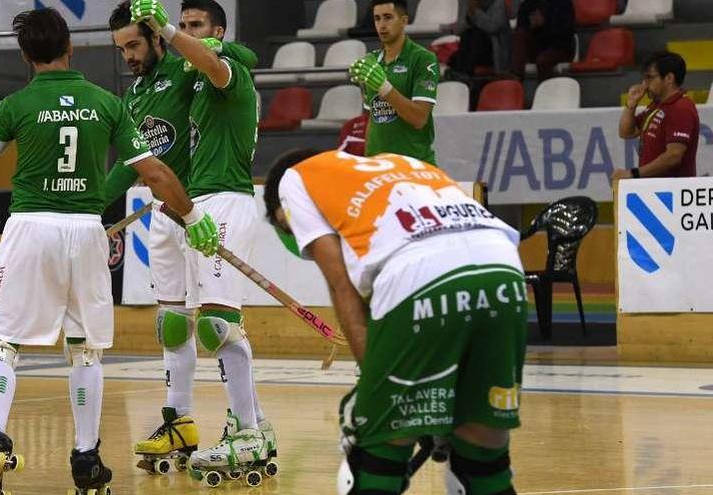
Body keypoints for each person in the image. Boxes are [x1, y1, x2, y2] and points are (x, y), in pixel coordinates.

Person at [0, 8, 219, 495]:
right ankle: (86, 459)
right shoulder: (106, 103)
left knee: (0, 342)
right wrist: (194, 217)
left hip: (31, 227)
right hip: (86, 231)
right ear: (71, 47)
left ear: (25, 56)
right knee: (84, 349)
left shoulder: (15, 105)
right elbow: (156, 174)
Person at [264, 149, 526, 495]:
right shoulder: (404, 164)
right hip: (505, 274)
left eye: (289, 226)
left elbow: (343, 288)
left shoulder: (294, 180)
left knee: (376, 459)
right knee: (482, 457)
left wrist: (374, 387)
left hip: (420, 276)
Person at [105, 0, 259, 472]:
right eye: (121, 48)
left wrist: (203, 38)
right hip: (165, 213)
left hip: (206, 207)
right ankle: (179, 419)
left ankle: (250, 427)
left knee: (217, 323)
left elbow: (241, 62)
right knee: (171, 325)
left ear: (155, 36)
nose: (129, 55)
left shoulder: (188, 67)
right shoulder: (134, 96)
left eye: (135, 43)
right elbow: (131, 166)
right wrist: (90, 213)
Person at [349, 0, 439, 164]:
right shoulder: (371, 61)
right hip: (379, 166)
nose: (381, 25)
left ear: (404, 21)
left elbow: (419, 118)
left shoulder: (424, 59)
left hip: (414, 164)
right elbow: (372, 118)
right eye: (377, 19)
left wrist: (384, 87)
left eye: (388, 17)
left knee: (478, 190)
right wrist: (368, 160)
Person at [613, 52, 699, 183]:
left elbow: (674, 156)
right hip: (655, 188)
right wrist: (631, 103)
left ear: (669, 78)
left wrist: (633, 173)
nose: (645, 84)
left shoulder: (681, 108)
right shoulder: (656, 106)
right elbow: (626, 132)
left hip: (672, 191)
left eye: (649, 78)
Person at [508, 0, 574, 81]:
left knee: (543, 60)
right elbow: (521, 28)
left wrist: (544, 24)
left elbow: (566, 32)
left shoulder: (563, 3)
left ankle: (545, 91)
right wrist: (531, 26)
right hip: (538, 45)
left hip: (560, 47)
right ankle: (516, 78)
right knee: (520, 35)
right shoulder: (527, 4)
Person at [449, 0, 511, 77]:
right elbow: (458, 30)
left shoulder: (497, 3)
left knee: (477, 34)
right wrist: (468, 16)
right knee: (467, 34)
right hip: (470, 46)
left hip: (494, 51)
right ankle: (461, 71)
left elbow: (492, 27)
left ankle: (465, 72)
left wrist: (475, 11)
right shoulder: (465, 2)